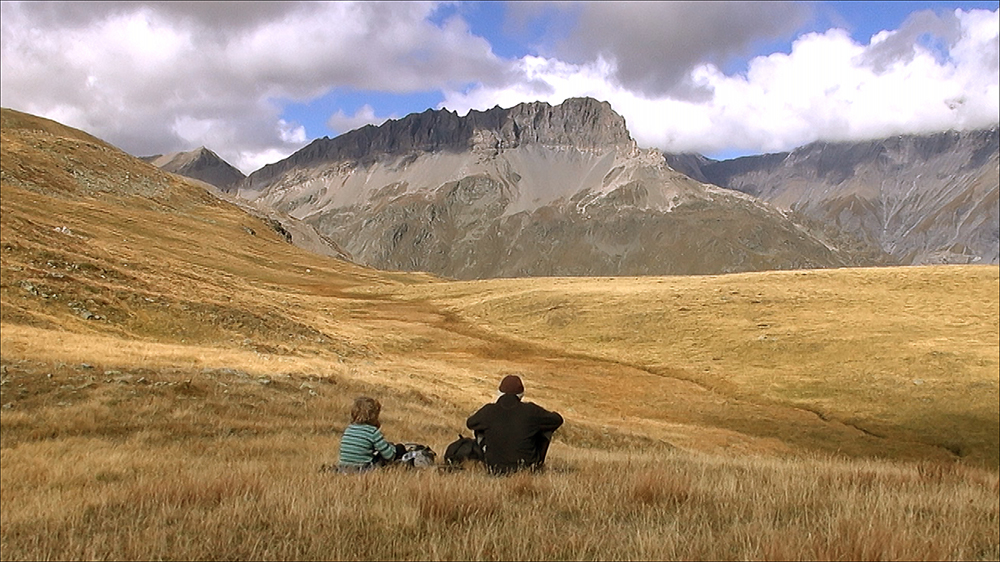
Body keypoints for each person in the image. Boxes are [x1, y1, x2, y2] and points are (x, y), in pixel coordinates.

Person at [466, 374, 563, 474]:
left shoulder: (488, 410)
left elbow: (470, 423)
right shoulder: (531, 411)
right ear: (521, 394)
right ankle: (537, 465)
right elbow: (557, 420)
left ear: (499, 393)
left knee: (479, 429)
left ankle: (488, 458)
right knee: (546, 429)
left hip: (494, 468)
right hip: (527, 468)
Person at [337, 396, 401, 473]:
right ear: (373, 416)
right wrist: (394, 448)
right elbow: (389, 455)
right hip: (362, 469)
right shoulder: (372, 432)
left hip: (343, 468)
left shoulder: (349, 429)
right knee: (398, 449)